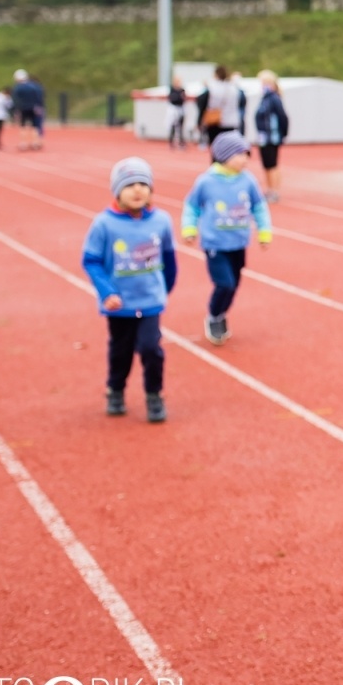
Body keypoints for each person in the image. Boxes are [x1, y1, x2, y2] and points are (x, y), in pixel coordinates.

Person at [82, 158, 177, 423]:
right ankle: (115, 389)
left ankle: (154, 395)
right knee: (120, 351)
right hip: (120, 304)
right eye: (130, 185)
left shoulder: (161, 221)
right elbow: (91, 261)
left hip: (150, 302)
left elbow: (169, 259)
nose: (137, 190)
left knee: (150, 348)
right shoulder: (104, 224)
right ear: (117, 191)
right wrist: (107, 292)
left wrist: (163, 289)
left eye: (143, 184)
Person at [182, 133, 272, 346]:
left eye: (246, 154)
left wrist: (264, 232)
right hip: (215, 243)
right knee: (225, 283)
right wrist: (189, 229)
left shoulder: (248, 180)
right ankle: (214, 315)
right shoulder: (206, 181)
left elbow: (259, 207)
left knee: (234, 285)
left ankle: (221, 313)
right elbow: (192, 206)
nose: (245, 159)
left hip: (238, 243)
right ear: (224, 156)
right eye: (240, 155)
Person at [253, 71, 289, 203]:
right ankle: (269, 189)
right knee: (267, 164)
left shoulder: (274, 98)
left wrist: (283, 134)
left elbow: (283, 117)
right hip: (263, 137)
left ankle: (274, 190)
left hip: (272, 137)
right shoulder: (265, 98)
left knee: (272, 164)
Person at [199, 66, 239, 150]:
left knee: (215, 148)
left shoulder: (212, 87)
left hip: (215, 121)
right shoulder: (233, 88)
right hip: (230, 121)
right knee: (228, 148)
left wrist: (199, 120)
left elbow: (202, 103)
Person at [12, 68, 44, 150]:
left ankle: (23, 143)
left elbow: (16, 100)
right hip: (34, 108)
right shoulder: (34, 86)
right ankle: (35, 142)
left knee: (23, 126)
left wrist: (16, 110)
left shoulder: (18, 88)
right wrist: (39, 106)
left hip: (23, 108)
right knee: (35, 126)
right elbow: (39, 97)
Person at [166, 74, 189, 150]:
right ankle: (171, 141)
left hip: (181, 109)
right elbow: (172, 98)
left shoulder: (182, 90)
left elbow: (183, 99)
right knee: (173, 126)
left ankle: (181, 141)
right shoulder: (172, 89)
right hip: (173, 110)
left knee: (181, 127)